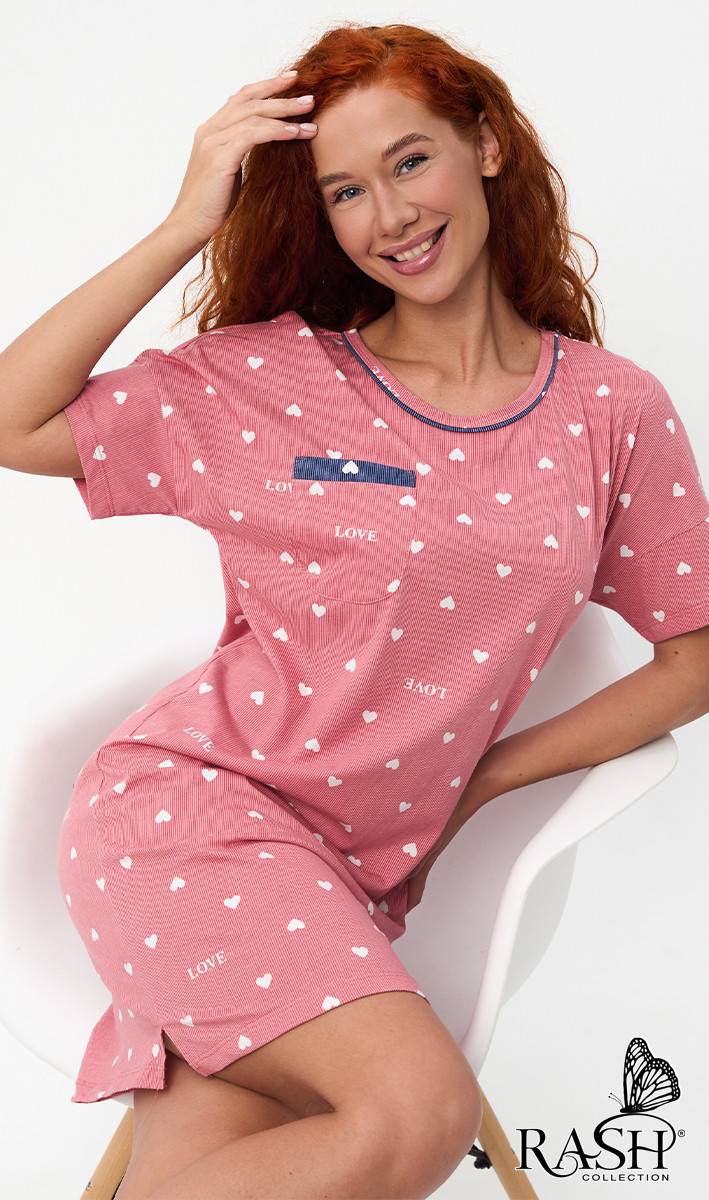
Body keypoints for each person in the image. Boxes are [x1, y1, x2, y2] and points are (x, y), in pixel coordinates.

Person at [2, 21, 708, 1200]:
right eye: (344, 190)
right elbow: (12, 419)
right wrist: (184, 221)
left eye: (409, 161)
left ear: (484, 145)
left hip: (349, 878)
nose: (389, 215)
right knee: (416, 1114)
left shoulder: (609, 410)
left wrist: (482, 778)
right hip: (189, 819)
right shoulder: (273, 379)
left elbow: (694, 658)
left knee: (224, 1168)